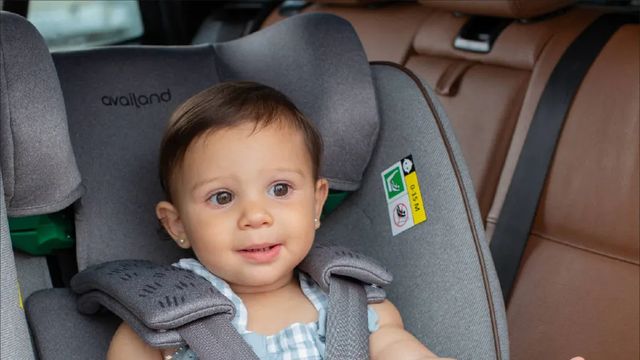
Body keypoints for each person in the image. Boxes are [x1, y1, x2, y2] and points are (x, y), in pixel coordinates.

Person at [107, 81, 446, 360]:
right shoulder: (163, 325)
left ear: (316, 203)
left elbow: (399, 349)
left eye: (280, 189)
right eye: (222, 197)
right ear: (177, 224)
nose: (256, 216)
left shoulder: (356, 307)